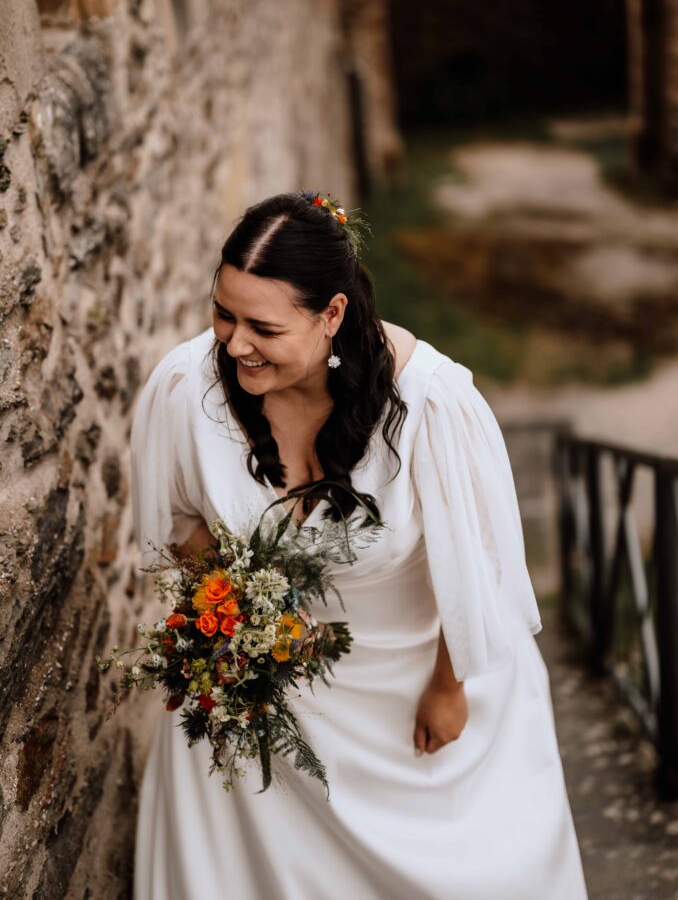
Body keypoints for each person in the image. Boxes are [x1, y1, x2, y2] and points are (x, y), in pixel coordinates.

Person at [130, 190, 588, 899]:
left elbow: (480, 564)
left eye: (263, 327)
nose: (234, 344)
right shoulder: (187, 389)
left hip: (415, 692)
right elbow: (182, 521)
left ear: (332, 314)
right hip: (266, 705)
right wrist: (241, 618)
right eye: (223, 313)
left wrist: (448, 689)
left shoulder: (434, 405)